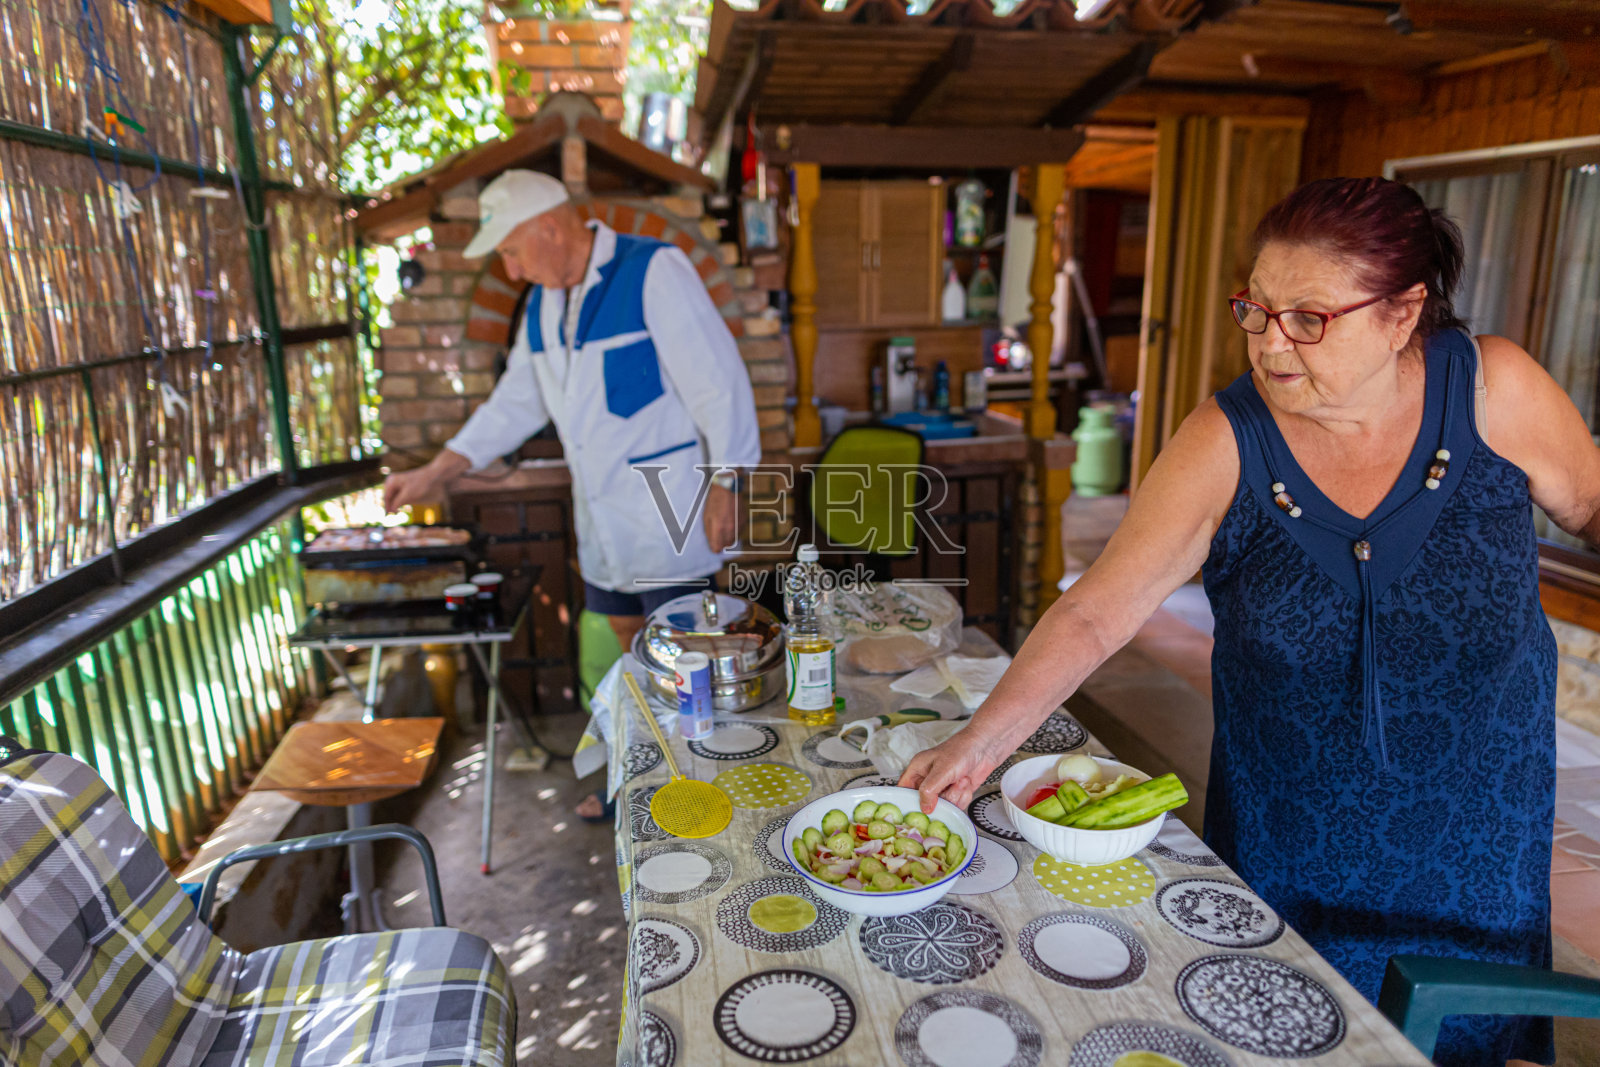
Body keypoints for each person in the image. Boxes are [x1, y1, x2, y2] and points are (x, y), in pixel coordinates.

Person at [901, 177, 1600, 1067]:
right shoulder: (1228, 436)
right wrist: (978, 744)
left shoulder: (1495, 391)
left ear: (1402, 313)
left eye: (1309, 318)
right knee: (1286, 1035)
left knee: (1470, 1034)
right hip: (1291, 842)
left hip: (1478, 841)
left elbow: (1592, 507)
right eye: (1257, 310)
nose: (1271, 343)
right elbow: (1096, 611)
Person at [383, 170, 760, 818]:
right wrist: (437, 471)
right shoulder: (542, 305)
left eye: (512, 250)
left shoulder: (652, 270)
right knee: (623, 646)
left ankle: (697, 789)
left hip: (667, 508)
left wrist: (729, 478)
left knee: (684, 655)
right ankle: (633, 783)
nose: (511, 268)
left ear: (550, 228)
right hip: (602, 516)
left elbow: (718, 382)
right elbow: (515, 403)